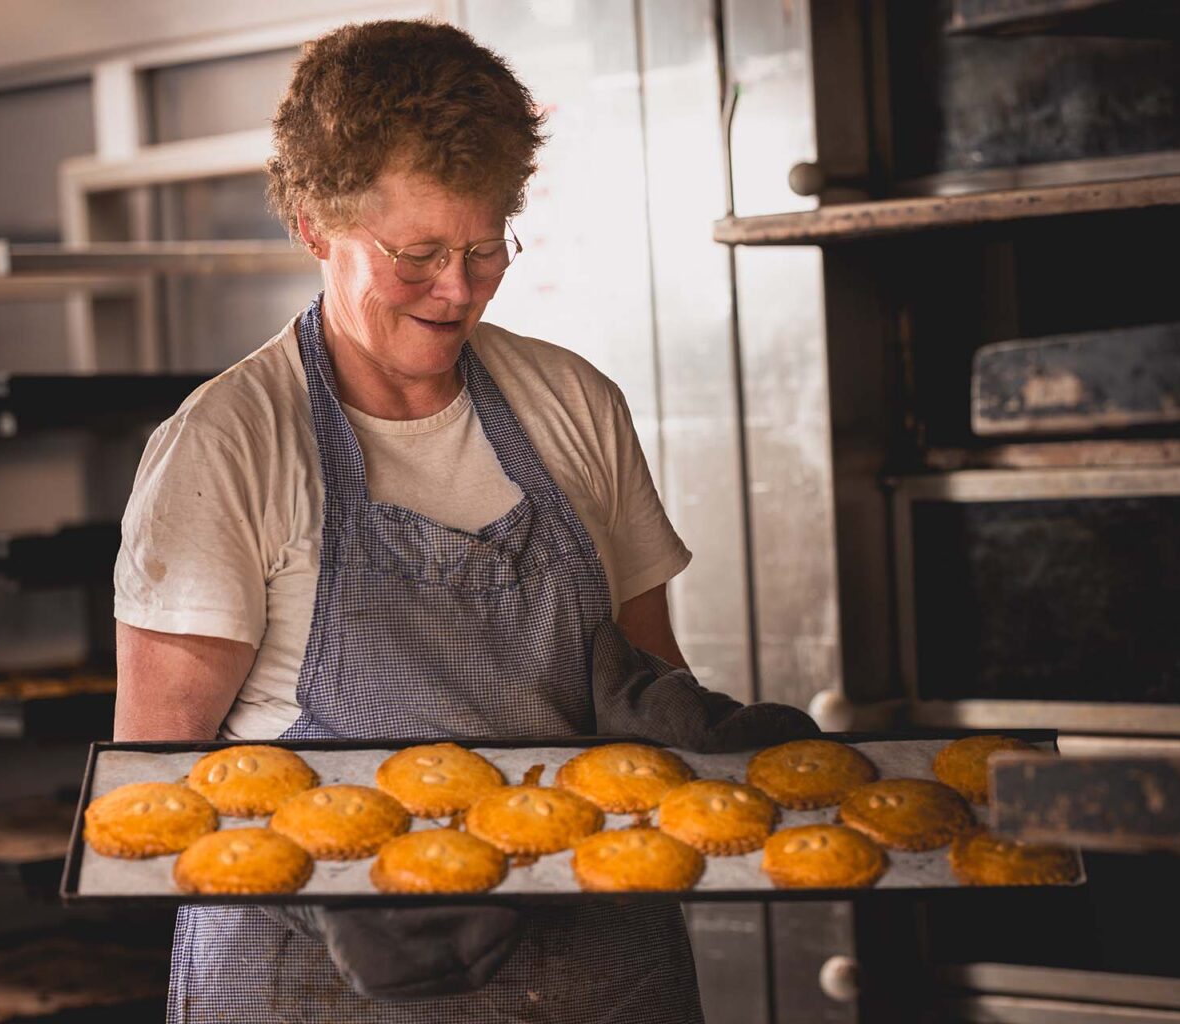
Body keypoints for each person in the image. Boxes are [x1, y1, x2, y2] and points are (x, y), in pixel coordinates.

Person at [112, 19, 814, 1023]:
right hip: (323, 986)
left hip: (592, 973)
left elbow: (644, 672)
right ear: (316, 226)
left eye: (486, 247)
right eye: (417, 255)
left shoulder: (573, 405)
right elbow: (152, 800)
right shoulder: (228, 446)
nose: (458, 288)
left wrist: (680, 727)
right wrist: (330, 889)